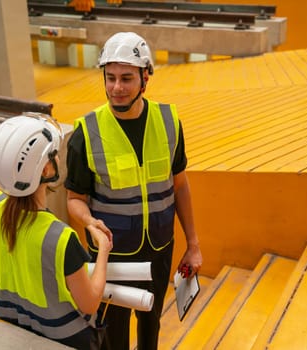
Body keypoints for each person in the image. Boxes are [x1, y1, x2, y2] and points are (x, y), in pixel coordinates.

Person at [64, 32, 203, 350]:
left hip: (159, 250)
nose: (116, 87)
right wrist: (88, 223)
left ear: (146, 78)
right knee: (114, 333)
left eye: (126, 78)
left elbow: (179, 186)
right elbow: (74, 199)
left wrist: (193, 244)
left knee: (151, 320)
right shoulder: (86, 132)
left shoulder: (169, 122)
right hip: (110, 258)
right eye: (110, 78)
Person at [0, 113, 113, 350]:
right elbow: (90, 303)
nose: (56, 158)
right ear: (44, 170)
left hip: (17, 331)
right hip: (64, 340)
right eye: (52, 155)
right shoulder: (60, 238)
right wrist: (103, 249)